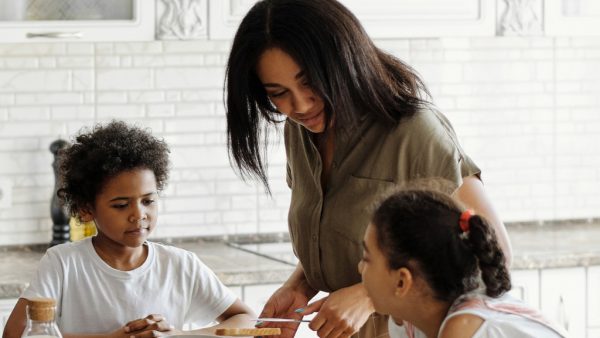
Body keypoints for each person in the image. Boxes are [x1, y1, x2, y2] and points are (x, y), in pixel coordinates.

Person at [224, 1, 513, 338]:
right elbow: (339, 236)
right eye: (279, 93)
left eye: (310, 83)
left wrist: (370, 296)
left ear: (343, 63)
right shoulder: (300, 131)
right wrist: (300, 286)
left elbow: (494, 254)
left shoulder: (414, 131)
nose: (300, 105)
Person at [2, 121, 255, 338]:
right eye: (121, 205)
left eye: (148, 201)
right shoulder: (63, 263)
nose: (138, 215)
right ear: (87, 209)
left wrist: (179, 335)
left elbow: (247, 319)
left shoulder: (181, 265)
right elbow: (16, 333)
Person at [359, 188, 567, 338]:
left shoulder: (465, 328)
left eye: (367, 259)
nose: (360, 268)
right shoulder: (408, 322)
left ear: (402, 281)